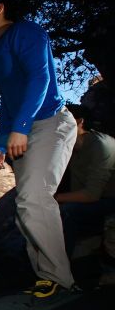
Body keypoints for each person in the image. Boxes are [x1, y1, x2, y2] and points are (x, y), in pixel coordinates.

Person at [0, 0, 77, 298]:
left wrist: (21, 128)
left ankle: (60, 279)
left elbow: (40, 78)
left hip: (50, 123)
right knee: (25, 208)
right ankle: (44, 278)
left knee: (34, 198)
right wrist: (1, 142)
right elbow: (9, 101)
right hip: (23, 131)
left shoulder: (25, 32)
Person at [56, 104, 115, 258]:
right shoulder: (70, 149)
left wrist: (54, 199)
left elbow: (91, 194)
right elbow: (78, 189)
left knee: (68, 211)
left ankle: (62, 265)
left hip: (110, 199)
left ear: (79, 121)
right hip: (99, 200)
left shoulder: (100, 145)